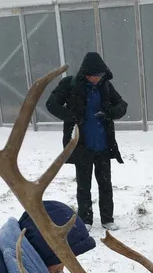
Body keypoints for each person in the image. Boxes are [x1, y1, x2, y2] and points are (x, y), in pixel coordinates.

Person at [46, 52, 127, 232]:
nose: (96, 79)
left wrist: (109, 113)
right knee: (84, 185)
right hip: (81, 145)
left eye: (99, 75)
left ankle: (107, 219)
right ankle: (86, 219)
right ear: (85, 73)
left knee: (105, 184)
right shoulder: (70, 85)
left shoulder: (106, 86)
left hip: (103, 145)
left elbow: (122, 105)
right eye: (93, 75)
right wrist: (71, 116)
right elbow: (51, 104)